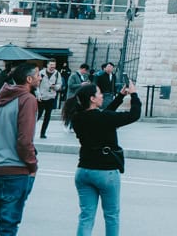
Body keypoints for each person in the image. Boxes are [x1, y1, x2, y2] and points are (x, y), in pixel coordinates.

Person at [63, 76, 140, 235]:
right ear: (92, 99)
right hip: (106, 172)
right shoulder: (103, 118)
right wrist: (134, 95)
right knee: (111, 215)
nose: (102, 95)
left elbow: (105, 115)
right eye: (99, 94)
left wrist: (120, 96)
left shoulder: (77, 117)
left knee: (86, 216)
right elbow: (134, 115)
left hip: (84, 170)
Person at [0, 63, 39, 236]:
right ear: (29, 79)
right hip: (16, 172)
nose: (40, 78)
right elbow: (25, 140)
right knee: (8, 226)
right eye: (38, 75)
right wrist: (32, 165)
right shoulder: (27, 99)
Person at [35, 61, 62, 139]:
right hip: (42, 97)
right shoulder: (41, 73)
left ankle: (43, 133)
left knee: (47, 116)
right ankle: (30, 130)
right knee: (38, 115)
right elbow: (36, 85)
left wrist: (55, 87)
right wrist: (38, 95)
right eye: (51, 65)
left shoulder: (57, 74)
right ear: (47, 65)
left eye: (54, 65)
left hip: (51, 97)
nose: (52, 66)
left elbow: (59, 85)